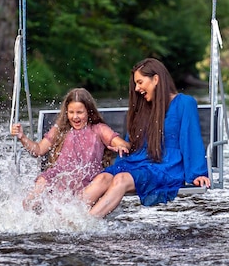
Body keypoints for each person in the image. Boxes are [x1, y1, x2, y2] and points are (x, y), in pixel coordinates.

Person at [81, 58, 210, 218]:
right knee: (103, 178)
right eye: (136, 83)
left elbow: (191, 139)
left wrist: (198, 173)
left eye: (140, 82)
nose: (137, 88)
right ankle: (66, 219)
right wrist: (121, 146)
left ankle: (84, 224)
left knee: (121, 180)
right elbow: (133, 145)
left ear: (155, 79)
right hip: (138, 161)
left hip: (166, 166)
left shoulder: (184, 103)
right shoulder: (142, 107)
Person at [11, 87, 129, 210]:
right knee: (42, 182)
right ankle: (22, 212)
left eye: (80, 112)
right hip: (61, 177)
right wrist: (22, 137)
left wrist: (121, 145)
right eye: (71, 112)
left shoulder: (99, 129)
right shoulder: (60, 130)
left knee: (103, 180)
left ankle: (71, 213)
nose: (75, 117)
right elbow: (39, 150)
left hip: (88, 179)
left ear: (89, 111)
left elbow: (121, 143)